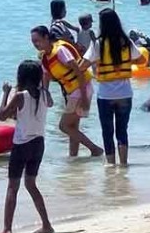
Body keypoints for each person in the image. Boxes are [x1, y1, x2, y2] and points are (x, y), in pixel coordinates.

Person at [0, 60, 55, 233]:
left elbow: (2, 116)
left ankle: (7, 229)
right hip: (39, 143)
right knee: (31, 184)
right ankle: (46, 224)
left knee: (13, 186)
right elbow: (48, 104)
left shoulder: (20, 96)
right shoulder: (44, 95)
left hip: (22, 145)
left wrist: (5, 93)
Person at [84, 9, 143, 166]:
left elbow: (83, 65)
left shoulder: (98, 43)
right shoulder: (126, 41)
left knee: (107, 132)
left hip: (105, 95)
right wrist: (126, 62)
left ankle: (111, 165)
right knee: (122, 131)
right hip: (125, 94)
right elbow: (141, 59)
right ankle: (124, 164)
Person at [32, 27, 102, 157]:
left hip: (81, 89)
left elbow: (79, 71)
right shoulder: (45, 58)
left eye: (37, 40)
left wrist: (84, 98)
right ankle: (73, 158)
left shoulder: (60, 51)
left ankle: (95, 149)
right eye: (33, 42)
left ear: (46, 37)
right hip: (73, 91)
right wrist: (46, 93)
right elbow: (46, 76)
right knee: (72, 128)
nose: (35, 44)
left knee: (64, 126)